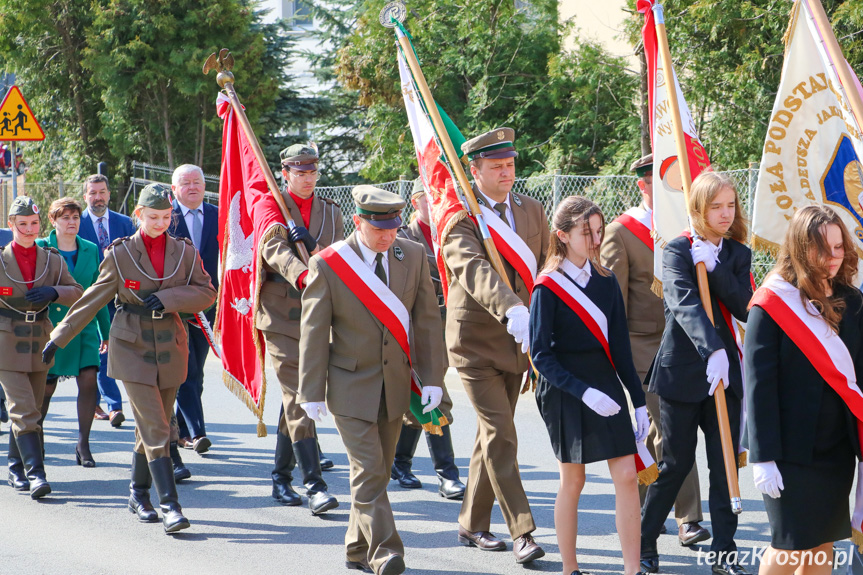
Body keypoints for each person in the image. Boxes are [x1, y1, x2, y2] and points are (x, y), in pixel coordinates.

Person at [44, 184, 216, 533]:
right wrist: (58, 337)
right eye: (153, 217)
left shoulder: (184, 252)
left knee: (151, 425)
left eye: (166, 217)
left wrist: (170, 298)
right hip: (131, 344)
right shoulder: (120, 254)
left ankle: (138, 493)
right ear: (138, 215)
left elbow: (206, 292)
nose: (160, 223)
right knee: (157, 425)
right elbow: (92, 299)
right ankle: (170, 505)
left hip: (170, 345)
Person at [297, 185, 445, 575]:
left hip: (395, 384)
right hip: (349, 385)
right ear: (359, 221)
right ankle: (386, 551)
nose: (388, 235)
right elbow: (314, 329)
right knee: (368, 470)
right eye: (380, 228)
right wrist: (310, 390)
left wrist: (432, 378)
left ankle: (355, 548)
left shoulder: (411, 254)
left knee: (375, 471)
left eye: (394, 227)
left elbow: (427, 320)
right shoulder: (329, 264)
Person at [443, 127, 549, 564]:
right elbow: (473, 270)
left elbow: (544, 267)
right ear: (475, 170)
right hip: (476, 345)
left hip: (520, 343)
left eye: (510, 165)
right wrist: (511, 308)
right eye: (496, 167)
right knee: (502, 434)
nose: (506, 173)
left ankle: (471, 523)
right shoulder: (461, 218)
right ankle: (522, 530)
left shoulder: (532, 210)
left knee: (491, 435)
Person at [640, 172, 752, 575]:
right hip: (684, 373)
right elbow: (683, 305)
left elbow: (745, 306)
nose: (725, 213)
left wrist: (717, 267)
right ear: (698, 209)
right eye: (716, 206)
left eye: (731, 205)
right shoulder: (675, 250)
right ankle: (645, 541)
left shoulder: (737, 253)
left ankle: (724, 553)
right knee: (676, 463)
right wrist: (714, 349)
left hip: (725, 377)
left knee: (725, 465)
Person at [530, 196, 649, 575]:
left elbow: (619, 347)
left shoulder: (607, 281)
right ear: (562, 236)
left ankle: (632, 568)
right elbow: (541, 356)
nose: (596, 240)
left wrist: (639, 399)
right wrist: (583, 392)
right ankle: (570, 568)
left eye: (599, 231)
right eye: (587, 233)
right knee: (574, 478)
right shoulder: (546, 287)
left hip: (604, 381)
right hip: (564, 388)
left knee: (628, 475)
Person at [746, 206, 863, 574]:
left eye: (839, 246)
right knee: (791, 546)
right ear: (800, 247)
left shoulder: (853, 300)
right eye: (823, 248)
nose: (833, 257)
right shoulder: (772, 303)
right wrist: (762, 455)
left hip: (836, 447)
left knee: (823, 544)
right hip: (788, 452)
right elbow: (758, 384)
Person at [600, 154, 708, 546]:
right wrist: (616, 358)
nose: (665, 188)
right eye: (655, 181)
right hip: (642, 343)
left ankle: (649, 506)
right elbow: (615, 302)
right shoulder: (623, 231)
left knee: (656, 431)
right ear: (643, 186)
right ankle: (688, 517)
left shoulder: (694, 225)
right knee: (670, 427)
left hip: (686, 341)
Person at [259, 143, 343, 514]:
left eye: (312, 172)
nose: (307, 179)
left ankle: (280, 476)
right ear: (285, 173)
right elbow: (272, 250)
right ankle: (314, 483)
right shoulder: (270, 205)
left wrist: (318, 248)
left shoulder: (330, 210)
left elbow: (339, 252)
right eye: (300, 172)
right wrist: (304, 272)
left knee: (294, 396)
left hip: (318, 313)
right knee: (299, 392)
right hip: (281, 314)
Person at [1, 196, 83, 499]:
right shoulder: (1, 259)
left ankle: (15, 466)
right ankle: (36, 473)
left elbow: (77, 292)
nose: (29, 229)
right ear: (11, 225)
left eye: (34, 224)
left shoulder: (51, 259)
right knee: (22, 408)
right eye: (22, 224)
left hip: (39, 338)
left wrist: (53, 291)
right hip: (6, 339)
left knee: (30, 409)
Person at [391, 179, 465, 500]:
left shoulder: (453, 232)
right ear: (417, 200)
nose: (436, 205)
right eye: (431, 198)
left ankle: (400, 461)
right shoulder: (402, 237)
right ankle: (447, 474)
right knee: (434, 392)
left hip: (448, 322)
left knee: (423, 392)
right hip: (413, 323)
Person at [35, 197, 108, 468]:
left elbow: (96, 293)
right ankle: (36, 435)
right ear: (53, 221)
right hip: (50, 327)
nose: (71, 222)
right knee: (46, 387)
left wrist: (106, 331)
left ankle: (83, 443)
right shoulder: (42, 247)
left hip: (84, 326)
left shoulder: (90, 249)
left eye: (75, 217)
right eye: (65, 217)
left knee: (89, 379)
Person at [78, 174, 136, 427]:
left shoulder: (126, 223)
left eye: (102, 192)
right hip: (91, 296)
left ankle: (102, 401)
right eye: (92, 193)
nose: (98, 197)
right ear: (85, 196)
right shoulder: (75, 223)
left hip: (122, 297)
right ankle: (113, 406)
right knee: (100, 350)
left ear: (109, 194)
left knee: (120, 348)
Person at [169, 164, 218, 455]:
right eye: (185, 183)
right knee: (184, 370)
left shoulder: (216, 215)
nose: (192, 187)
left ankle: (182, 429)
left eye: (197, 182)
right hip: (175, 307)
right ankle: (196, 431)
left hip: (207, 306)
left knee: (196, 370)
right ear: (174, 189)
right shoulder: (166, 217)